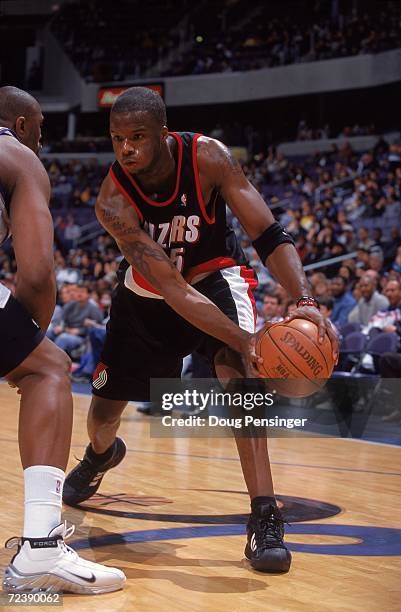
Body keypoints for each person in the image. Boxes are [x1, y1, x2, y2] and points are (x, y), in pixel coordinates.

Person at [63, 87, 338, 574]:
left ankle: (264, 515)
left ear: (163, 135)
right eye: (117, 139)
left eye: (138, 137)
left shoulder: (208, 157)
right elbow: (170, 287)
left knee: (244, 382)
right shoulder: (112, 199)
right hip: (149, 298)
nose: (126, 149)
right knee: (104, 415)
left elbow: (268, 233)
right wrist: (246, 337)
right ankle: (100, 456)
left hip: (215, 278)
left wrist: (304, 299)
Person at [0, 86, 125, 594]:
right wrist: (26, 341)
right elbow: (36, 274)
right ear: (26, 125)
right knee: (47, 368)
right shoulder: (18, 155)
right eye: (43, 130)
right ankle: (41, 551)